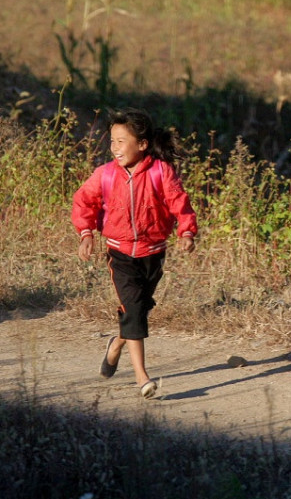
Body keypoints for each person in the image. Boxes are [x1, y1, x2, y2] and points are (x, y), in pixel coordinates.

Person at [72, 108, 198, 398]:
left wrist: (187, 232)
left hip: (154, 254)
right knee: (134, 309)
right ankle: (142, 378)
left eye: (121, 141)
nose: (114, 148)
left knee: (138, 310)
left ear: (142, 144)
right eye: (112, 141)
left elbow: (180, 203)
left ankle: (117, 344)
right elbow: (83, 202)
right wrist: (86, 233)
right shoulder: (103, 175)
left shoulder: (160, 172)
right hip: (120, 254)